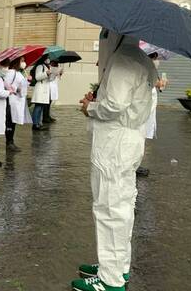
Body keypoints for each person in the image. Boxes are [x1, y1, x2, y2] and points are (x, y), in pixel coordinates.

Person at [72, 30, 157, 291]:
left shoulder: (122, 60)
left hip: (115, 143)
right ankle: (116, 266)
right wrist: (98, 101)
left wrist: (92, 107)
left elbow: (114, 106)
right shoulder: (142, 59)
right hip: (130, 139)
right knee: (122, 206)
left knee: (109, 208)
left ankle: (111, 280)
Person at [137, 51, 167, 177]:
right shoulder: (142, 67)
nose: (158, 60)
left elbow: (155, 87)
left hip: (149, 110)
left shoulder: (152, 69)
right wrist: (156, 83)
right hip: (142, 110)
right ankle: (134, 164)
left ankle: (136, 163)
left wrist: (160, 85)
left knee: (142, 137)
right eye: (156, 57)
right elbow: (145, 83)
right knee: (139, 136)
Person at [4, 56, 32, 152]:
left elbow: (22, 85)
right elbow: (6, 84)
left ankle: (11, 141)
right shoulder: (11, 72)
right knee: (10, 121)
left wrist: (27, 81)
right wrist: (17, 89)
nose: (24, 63)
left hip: (18, 100)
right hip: (12, 100)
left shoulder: (19, 73)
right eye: (22, 61)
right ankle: (9, 142)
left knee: (14, 121)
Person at [31, 56, 52, 131]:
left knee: (41, 106)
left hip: (45, 89)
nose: (48, 59)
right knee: (38, 106)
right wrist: (46, 73)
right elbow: (37, 77)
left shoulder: (47, 66)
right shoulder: (40, 66)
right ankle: (35, 124)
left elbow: (49, 79)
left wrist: (54, 74)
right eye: (47, 58)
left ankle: (38, 123)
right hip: (40, 88)